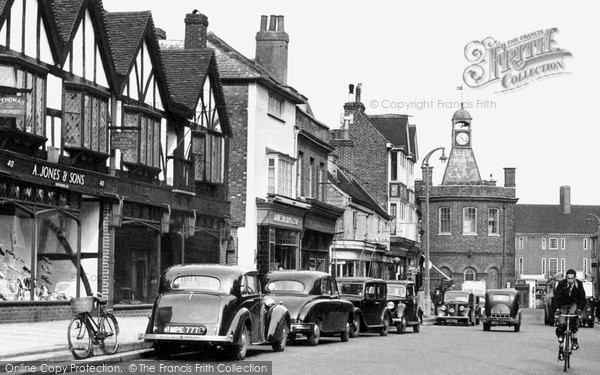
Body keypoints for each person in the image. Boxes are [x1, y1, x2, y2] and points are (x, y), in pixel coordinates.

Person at [551, 269, 586, 361]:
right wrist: (557, 310)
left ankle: (574, 341)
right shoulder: (561, 284)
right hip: (563, 305)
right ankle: (561, 349)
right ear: (566, 277)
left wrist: (579, 310)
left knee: (573, 316)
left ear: (575, 278)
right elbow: (555, 298)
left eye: (572, 278)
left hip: (574, 304)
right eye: (568, 278)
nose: (570, 280)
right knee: (561, 324)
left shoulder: (579, 285)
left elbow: (582, 299)